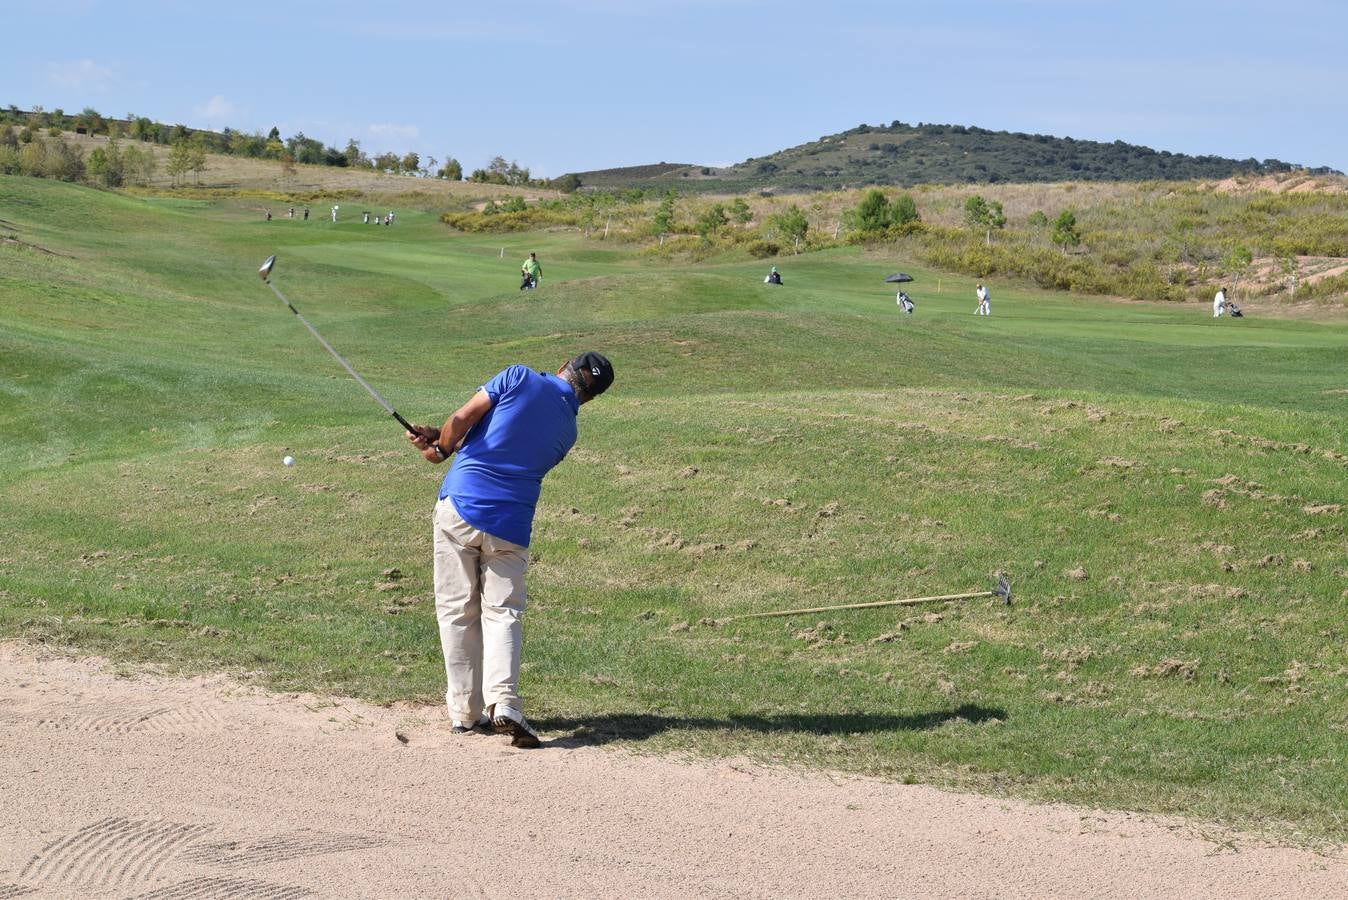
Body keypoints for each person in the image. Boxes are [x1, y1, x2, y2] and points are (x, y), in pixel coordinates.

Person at [405, 352, 616, 748]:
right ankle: (503, 703)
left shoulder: (519, 377)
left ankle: (465, 714)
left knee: (457, 610)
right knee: (503, 613)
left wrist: (440, 447)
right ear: (591, 398)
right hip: (512, 525)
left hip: (462, 505)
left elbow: (466, 418)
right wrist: (444, 437)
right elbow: (500, 439)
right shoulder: (568, 431)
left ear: (562, 366)